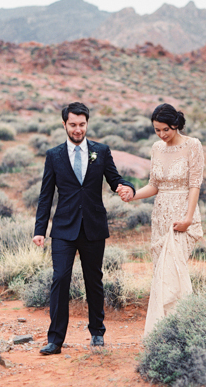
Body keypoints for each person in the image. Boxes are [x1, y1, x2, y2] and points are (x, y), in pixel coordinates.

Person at [33, 102, 134, 354]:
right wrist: (39, 230)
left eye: (82, 125)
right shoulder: (53, 155)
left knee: (94, 280)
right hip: (64, 229)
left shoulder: (101, 150)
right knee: (60, 279)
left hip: (93, 226)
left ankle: (97, 333)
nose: (78, 129)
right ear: (64, 124)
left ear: (87, 124)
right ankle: (55, 340)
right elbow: (46, 196)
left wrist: (126, 187)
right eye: (73, 125)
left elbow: (114, 179)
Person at [129, 103, 204, 336]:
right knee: (161, 272)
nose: (162, 135)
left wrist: (188, 218)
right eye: (157, 130)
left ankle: (184, 328)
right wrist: (132, 194)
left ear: (176, 125)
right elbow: (154, 185)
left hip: (182, 215)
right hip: (160, 216)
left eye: (166, 130)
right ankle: (163, 330)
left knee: (175, 270)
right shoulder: (156, 148)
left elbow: (195, 184)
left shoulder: (193, 145)